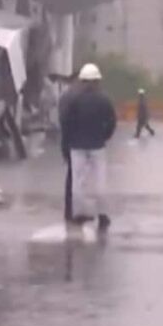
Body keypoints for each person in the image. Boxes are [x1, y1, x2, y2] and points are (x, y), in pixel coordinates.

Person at [60, 63, 117, 230]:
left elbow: (67, 123)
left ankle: (78, 214)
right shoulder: (104, 99)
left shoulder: (74, 100)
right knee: (100, 181)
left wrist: (67, 143)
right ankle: (103, 215)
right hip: (97, 145)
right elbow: (112, 121)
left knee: (78, 182)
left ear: (82, 81)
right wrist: (104, 136)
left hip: (77, 145)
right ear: (97, 81)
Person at [57, 76, 81, 222]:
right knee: (77, 177)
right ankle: (75, 209)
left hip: (68, 140)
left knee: (72, 175)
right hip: (76, 141)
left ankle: (70, 209)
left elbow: (63, 121)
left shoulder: (65, 97)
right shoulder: (74, 98)